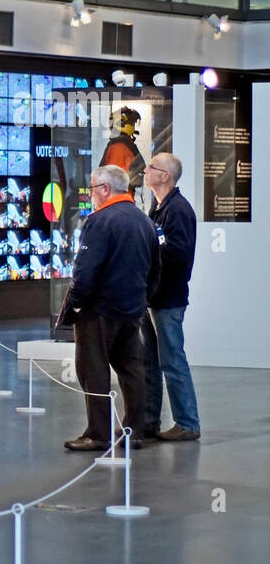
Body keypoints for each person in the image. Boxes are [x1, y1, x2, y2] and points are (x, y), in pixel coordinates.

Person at [60, 164, 160, 451]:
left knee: (94, 370)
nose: (91, 194)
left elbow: (85, 271)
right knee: (132, 370)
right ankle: (134, 431)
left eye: (92, 188)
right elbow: (156, 270)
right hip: (132, 310)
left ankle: (98, 433)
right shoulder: (145, 222)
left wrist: (76, 305)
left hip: (99, 311)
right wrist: (141, 299)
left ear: (104, 189)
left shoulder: (99, 221)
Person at [140, 153, 201, 441]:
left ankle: (187, 423)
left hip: (168, 299)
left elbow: (178, 253)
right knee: (149, 360)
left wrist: (148, 250)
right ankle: (149, 420)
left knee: (172, 360)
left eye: (151, 167)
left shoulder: (177, 210)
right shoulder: (159, 207)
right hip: (154, 297)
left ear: (165, 176)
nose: (145, 170)